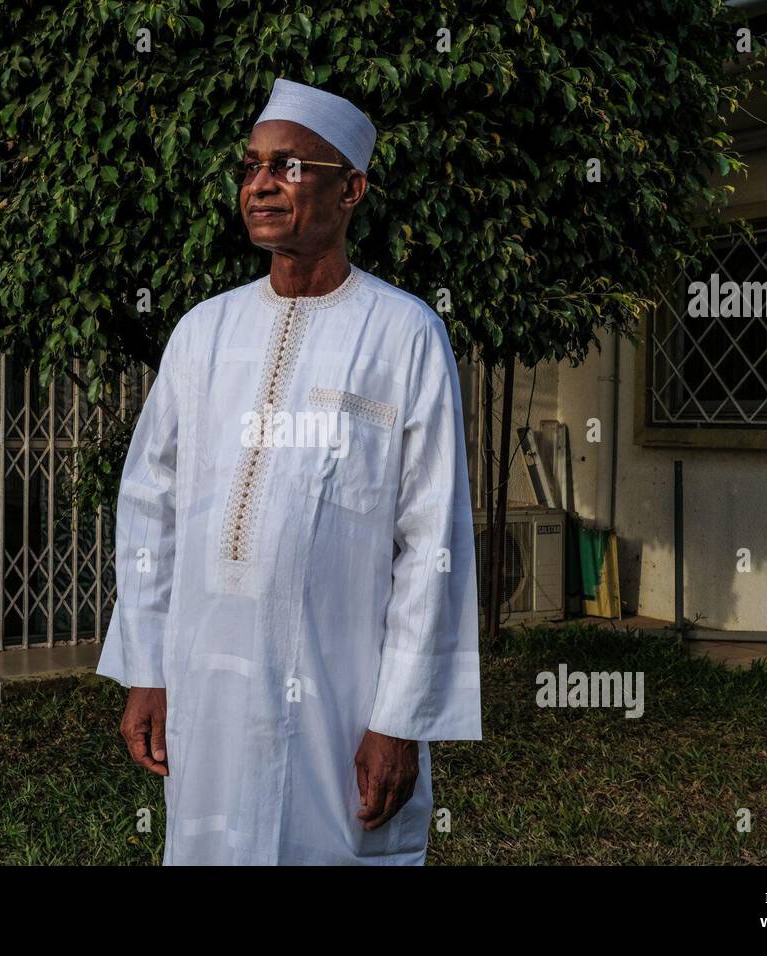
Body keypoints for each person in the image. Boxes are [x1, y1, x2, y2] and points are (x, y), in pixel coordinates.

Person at [97, 78, 481, 865]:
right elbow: (149, 505)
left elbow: (430, 537)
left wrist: (400, 719)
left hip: (341, 699)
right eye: (252, 166)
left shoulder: (404, 334)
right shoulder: (204, 332)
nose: (263, 183)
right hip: (210, 687)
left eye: (292, 166)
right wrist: (146, 671)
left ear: (352, 190)